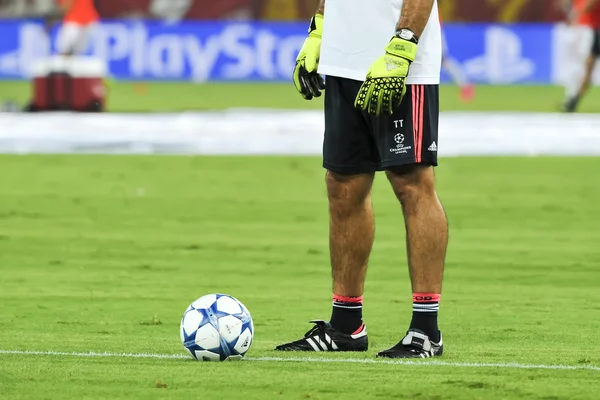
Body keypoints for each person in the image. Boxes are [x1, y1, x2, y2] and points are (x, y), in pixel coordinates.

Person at [275, 0, 448, 358]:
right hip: (343, 57)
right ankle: (345, 325)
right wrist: (320, 26)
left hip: (400, 60)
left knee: (411, 182)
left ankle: (426, 330)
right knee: (343, 185)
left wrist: (404, 43)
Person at [562, 0, 600, 112]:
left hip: (588, 28)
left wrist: (575, 14)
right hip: (586, 27)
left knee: (583, 65)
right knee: (583, 66)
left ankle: (573, 98)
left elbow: (589, 5)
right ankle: (572, 98)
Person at [440, 10, 476, 102]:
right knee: (443, 60)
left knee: (443, 59)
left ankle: (465, 84)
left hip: (433, 30)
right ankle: (465, 84)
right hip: (430, 29)